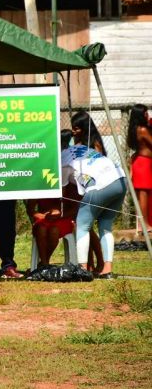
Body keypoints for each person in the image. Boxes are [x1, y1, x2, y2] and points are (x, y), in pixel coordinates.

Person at [61, 132, 127, 279]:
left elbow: (63, 189)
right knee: (105, 226)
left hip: (100, 185)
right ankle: (107, 269)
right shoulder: (82, 148)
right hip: (121, 179)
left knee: (82, 226)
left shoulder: (62, 159)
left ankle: (83, 269)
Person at [26, 130, 80, 266]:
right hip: (44, 219)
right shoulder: (39, 181)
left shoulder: (67, 179)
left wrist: (60, 214)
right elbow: (31, 209)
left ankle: (43, 263)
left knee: (54, 230)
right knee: (41, 229)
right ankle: (44, 264)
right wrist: (41, 216)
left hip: (63, 218)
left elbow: (75, 209)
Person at [69, 111, 107, 271]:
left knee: (86, 227)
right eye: (73, 128)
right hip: (78, 187)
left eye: (77, 128)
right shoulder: (76, 142)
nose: (74, 131)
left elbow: (99, 163)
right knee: (84, 227)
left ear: (85, 128)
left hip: (92, 188)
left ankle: (100, 261)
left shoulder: (95, 143)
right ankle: (90, 263)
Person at [126, 104, 152, 236]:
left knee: (145, 194)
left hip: (141, 162)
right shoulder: (142, 129)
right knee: (143, 194)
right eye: (145, 113)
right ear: (140, 115)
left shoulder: (135, 129)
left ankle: (144, 223)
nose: (148, 115)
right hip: (144, 163)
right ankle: (144, 224)